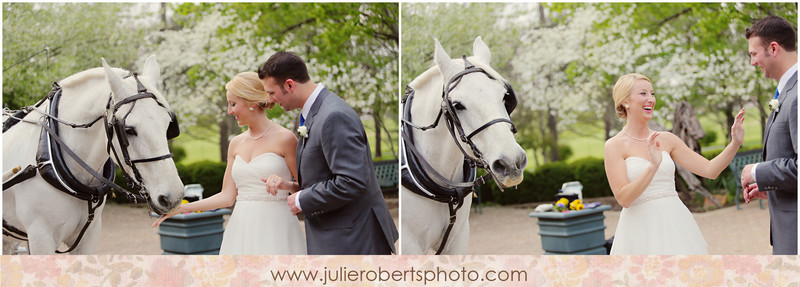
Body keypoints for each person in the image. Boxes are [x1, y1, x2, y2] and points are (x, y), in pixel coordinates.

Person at [258, 51, 398, 255]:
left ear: (289, 84)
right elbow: (326, 176)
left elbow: (353, 182)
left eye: (271, 92)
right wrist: (292, 186)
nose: (270, 100)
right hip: (337, 237)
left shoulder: (334, 116)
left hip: (353, 241)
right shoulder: (312, 113)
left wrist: (301, 200)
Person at [152, 72, 306, 255]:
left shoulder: (286, 139)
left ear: (250, 102)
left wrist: (285, 185)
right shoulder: (235, 143)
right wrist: (182, 208)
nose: (229, 111)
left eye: (233, 104)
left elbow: (306, 189)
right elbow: (227, 197)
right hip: (240, 229)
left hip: (277, 228)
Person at [604, 73, 745, 255]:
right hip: (639, 231)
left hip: (675, 224)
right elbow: (624, 199)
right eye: (643, 93)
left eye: (652, 93)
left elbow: (710, 170)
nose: (651, 99)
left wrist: (735, 143)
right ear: (625, 102)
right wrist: (652, 167)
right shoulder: (614, 146)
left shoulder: (667, 139)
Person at [740, 15, 797, 255]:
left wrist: (756, 171)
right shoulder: (786, 92)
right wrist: (771, 184)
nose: (753, 62)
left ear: (773, 48)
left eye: (754, 54)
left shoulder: (797, 97)